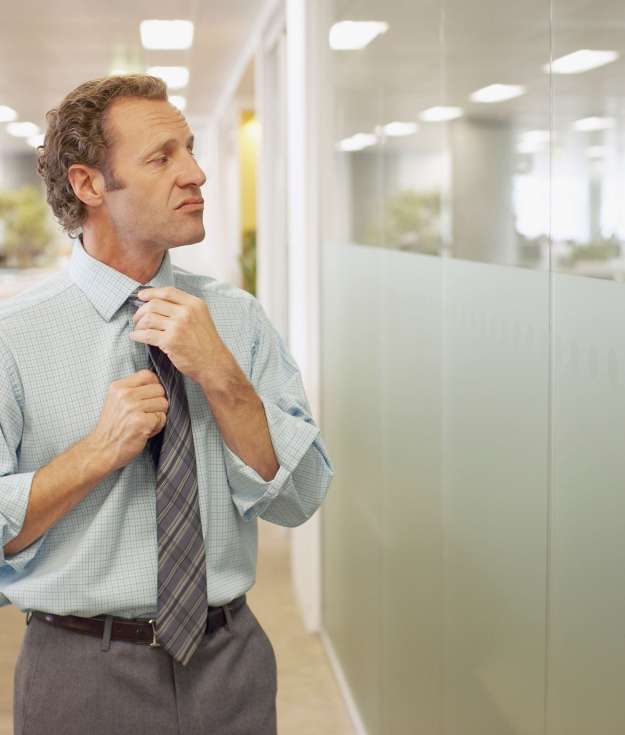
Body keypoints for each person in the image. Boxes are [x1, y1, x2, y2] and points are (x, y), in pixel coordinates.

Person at [0, 74, 334, 735]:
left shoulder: (236, 319)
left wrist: (220, 374)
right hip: (79, 673)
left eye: (190, 148)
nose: (197, 173)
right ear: (90, 185)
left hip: (230, 662)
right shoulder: (13, 337)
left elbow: (299, 498)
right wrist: (97, 453)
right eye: (162, 156)